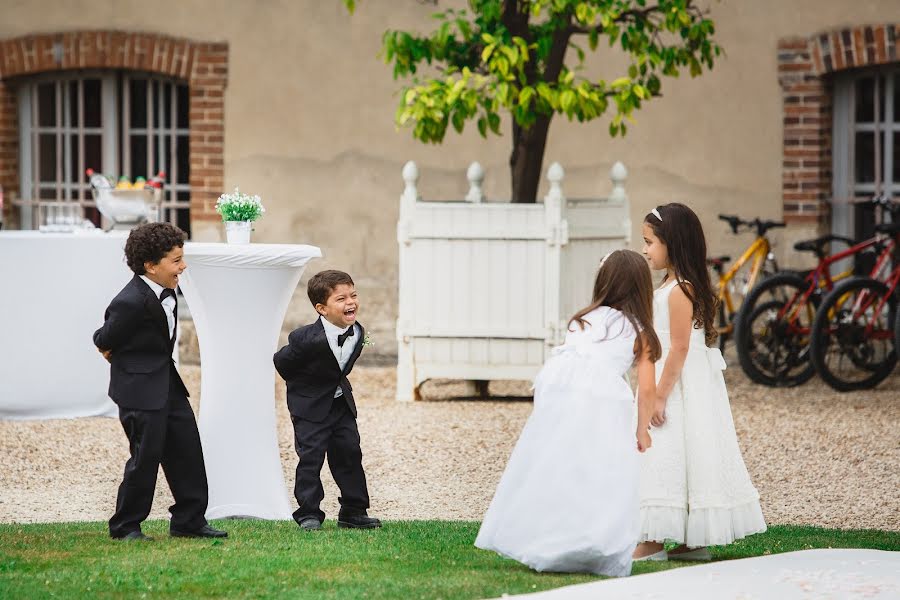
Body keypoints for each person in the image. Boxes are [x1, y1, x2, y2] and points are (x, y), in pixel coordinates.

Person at [475, 250, 660, 577]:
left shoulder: (583, 318)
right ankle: (596, 540)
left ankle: (549, 538)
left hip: (560, 392)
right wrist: (641, 429)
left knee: (561, 468)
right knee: (605, 471)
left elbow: (566, 364)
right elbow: (646, 389)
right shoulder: (640, 330)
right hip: (603, 399)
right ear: (642, 288)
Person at [634, 203, 766, 562]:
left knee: (665, 451)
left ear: (672, 243)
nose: (645, 250)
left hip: (676, 388)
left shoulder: (681, 289)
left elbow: (678, 348)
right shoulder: (670, 285)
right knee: (681, 455)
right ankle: (689, 540)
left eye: (650, 242)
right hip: (676, 382)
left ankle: (655, 540)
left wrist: (659, 397)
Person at [93, 222, 226, 541]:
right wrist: (115, 354)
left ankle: (189, 521)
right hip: (139, 392)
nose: (183, 266)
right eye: (176, 260)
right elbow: (103, 337)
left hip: (168, 385)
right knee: (145, 457)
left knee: (187, 451)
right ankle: (126, 526)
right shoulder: (129, 301)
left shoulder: (167, 291)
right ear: (151, 266)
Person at [273, 270, 381, 531]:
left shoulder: (358, 333)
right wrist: (305, 389)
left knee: (350, 452)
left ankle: (353, 511)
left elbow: (342, 365)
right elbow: (282, 362)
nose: (351, 302)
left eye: (353, 295)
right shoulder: (304, 339)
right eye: (341, 299)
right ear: (321, 308)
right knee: (311, 457)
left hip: (340, 404)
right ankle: (308, 512)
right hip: (309, 406)